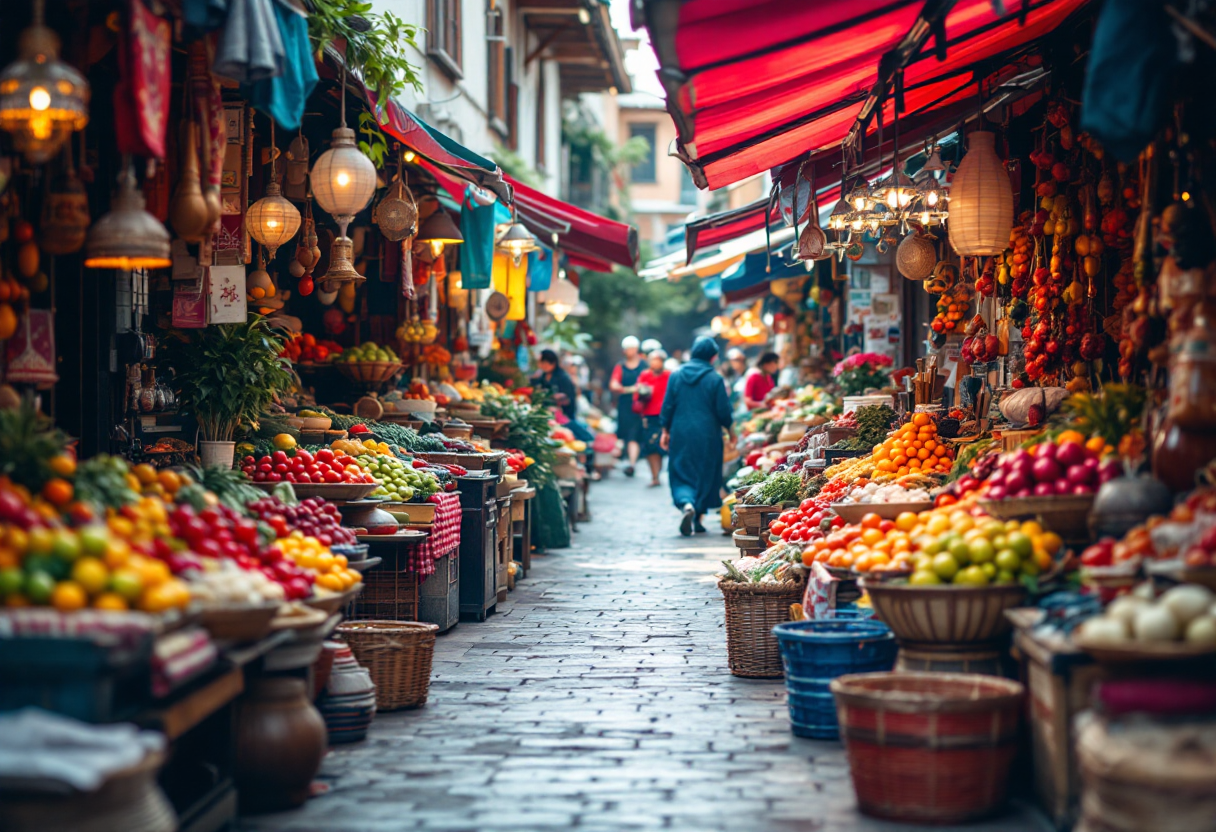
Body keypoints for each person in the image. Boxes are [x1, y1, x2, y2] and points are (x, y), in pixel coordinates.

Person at [661, 337, 734, 536]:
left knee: (681, 470)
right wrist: (730, 430)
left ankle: (687, 504)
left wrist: (665, 431)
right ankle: (699, 516)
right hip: (708, 433)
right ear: (712, 357)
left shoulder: (676, 375)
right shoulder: (715, 379)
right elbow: (723, 411)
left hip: (681, 431)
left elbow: (667, 406)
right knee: (706, 471)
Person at [609, 336, 644, 477]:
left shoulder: (644, 365)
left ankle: (632, 463)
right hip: (624, 405)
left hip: (639, 406)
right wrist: (628, 389)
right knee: (622, 433)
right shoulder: (620, 366)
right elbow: (613, 384)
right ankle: (622, 459)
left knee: (634, 435)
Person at [635, 349, 671, 488]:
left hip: (665, 415)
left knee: (662, 446)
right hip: (649, 414)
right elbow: (638, 394)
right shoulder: (645, 375)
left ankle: (658, 472)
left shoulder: (669, 375)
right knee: (650, 446)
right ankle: (654, 476)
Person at [535, 349, 577, 420]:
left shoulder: (563, 377)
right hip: (548, 415)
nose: (542, 365)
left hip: (564, 416)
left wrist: (558, 398)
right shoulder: (543, 376)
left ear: (553, 363)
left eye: (544, 363)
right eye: (541, 363)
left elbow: (569, 399)